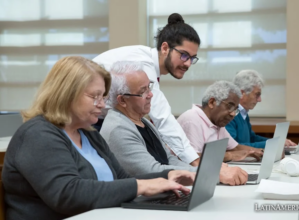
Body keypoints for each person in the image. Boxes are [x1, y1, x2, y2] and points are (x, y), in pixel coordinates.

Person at [1, 56, 195, 220]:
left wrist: (165, 176)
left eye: (103, 97)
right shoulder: (37, 135)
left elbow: (122, 180)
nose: (102, 105)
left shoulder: (88, 134)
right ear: (66, 94)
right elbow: (68, 195)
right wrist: (141, 186)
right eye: (95, 97)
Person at [100, 61, 248, 186]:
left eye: (149, 87)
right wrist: (211, 174)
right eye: (143, 91)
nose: (151, 95)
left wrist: (208, 170)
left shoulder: (143, 121)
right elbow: (152, 170)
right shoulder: (118, 129)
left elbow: (169, 159)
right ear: (122, 100)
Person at [93, 13, 201, 166]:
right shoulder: (142, 64)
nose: (188, 64)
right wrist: (196, 162)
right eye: (184, 55)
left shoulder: (147, 60)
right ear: (165, 48)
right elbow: (163, 118)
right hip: (89, 123)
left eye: (192, 58)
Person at [177, 81, 265, 162]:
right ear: (211, 102)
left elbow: (235, 147)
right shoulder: (192, 120)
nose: (233, 114)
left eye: (235, 109)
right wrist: (229, 156)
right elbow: (194, 160)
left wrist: (259, 152)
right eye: (230, 106)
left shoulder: (217, 122)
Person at [226, 70, 296, 148]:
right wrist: (274, 144)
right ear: (242, 93)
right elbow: (235, 147)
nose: (259, 100)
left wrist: (276, 141)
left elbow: (252, 138)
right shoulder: (229, 115)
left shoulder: (243, 112)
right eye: (257, 95)